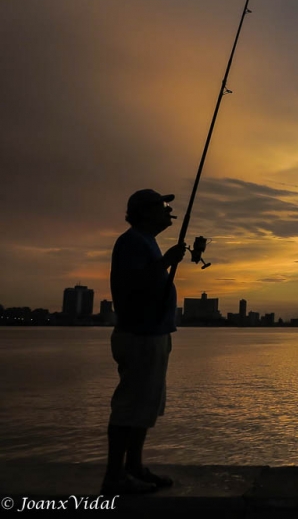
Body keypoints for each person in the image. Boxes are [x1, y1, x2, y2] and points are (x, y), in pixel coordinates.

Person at [101, 189, 186, 495]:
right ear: (144, 212)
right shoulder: (131, 242)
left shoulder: (145, 242)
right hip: (139, 336)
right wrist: (165, 262)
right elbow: (133, 283)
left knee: (145, 406)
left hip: (154, 334)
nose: (168, 212)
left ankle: (133, 467)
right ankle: (114, 476)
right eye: (162, 207)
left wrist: (163, 260)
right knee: (129, 406)